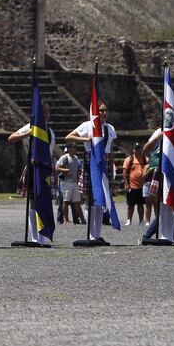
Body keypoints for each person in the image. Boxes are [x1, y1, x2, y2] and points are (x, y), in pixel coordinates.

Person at [65, 102, 117, 243]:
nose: (103, 113)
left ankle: (97, 234)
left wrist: (111, 167)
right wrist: (84, 139)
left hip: (105, 161)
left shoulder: (110, 128)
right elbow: (68, 137)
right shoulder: (87, 125)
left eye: (105, 111)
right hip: (91, 158)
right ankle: (90, 234)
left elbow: (110, 150)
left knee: (101, 199)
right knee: (91, 198)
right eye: (100, 111)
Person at [6, 102, 55, 245]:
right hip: (34, 167)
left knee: (44, 201)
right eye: (43, 111)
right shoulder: (31, 127)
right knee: (34, 202)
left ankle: (43, 235)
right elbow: (11, 138)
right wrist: (28, 133)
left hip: (46, 168)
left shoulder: (50, 131)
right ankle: (35, 237)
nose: (46, 114)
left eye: (48, 111)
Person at [55, 145, 84, 225]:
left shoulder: (76, 158)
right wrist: (66, 170)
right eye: (74, 147)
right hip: (66, 182)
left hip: (75, 182)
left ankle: (82, 219)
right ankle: (66, 220)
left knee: (77, 201)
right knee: (66, 201)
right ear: (69, 148)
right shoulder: (64, 157)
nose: (76, 148)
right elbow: (57, 168)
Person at [123, 143, 148, 226]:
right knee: (131, 205)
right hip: (132, 185)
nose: (137, 150)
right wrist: (127, 184)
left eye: (138, 148)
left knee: (141, 205)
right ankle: (128, 220)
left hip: (142, 186)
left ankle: (141, 221)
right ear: (133, 150)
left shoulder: (145, 159)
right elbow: (125, 172)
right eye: (136, 148)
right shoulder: (129, 159)